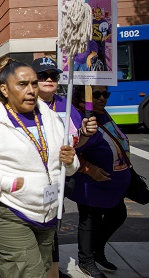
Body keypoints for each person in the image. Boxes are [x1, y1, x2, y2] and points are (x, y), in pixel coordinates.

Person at [0, 57, 97, 277]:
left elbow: (71, 145)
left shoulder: (62, 107)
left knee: (42, 260)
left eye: (54, 76)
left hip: (50, 197)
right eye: (42, 76)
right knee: (30, 270)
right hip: (12, 204)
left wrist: (80, 143)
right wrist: (9, 183)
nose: (47, 80)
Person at [68, 85, 131, 278]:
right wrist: (88, 168)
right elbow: (71, 151)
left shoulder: (103, 114)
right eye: (97, 94)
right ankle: (86, 261)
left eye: (106, 94)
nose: (103, 98)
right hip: (90, 182)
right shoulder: (77, 117)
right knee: (89, 221)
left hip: (112, 183)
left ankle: (97, 249)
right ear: (82, 96)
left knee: (118, 214)